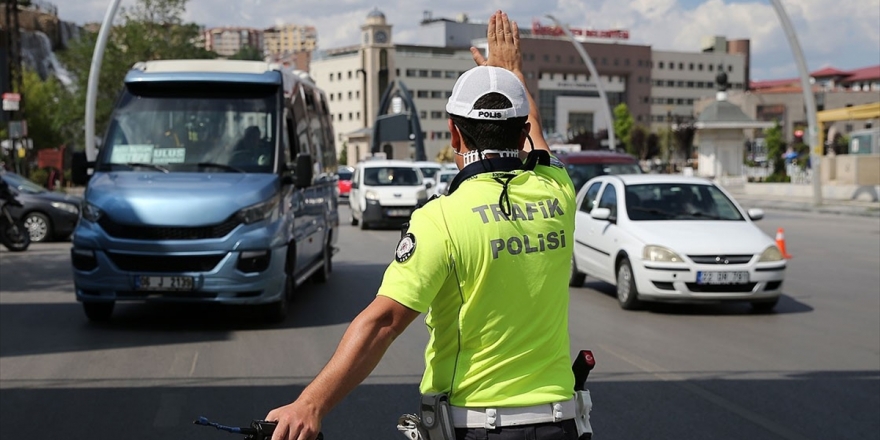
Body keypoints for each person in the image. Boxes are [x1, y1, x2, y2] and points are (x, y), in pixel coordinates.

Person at [265, 11, 580, 440]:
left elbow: (384, 323)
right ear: (521, 130)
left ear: (454, 134)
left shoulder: (442, 219)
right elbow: (538, 140)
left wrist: (310, 404)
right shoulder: (557, 190)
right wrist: (512, 74)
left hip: (478, 428)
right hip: (561, 424)